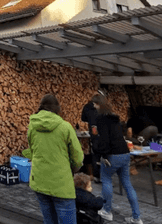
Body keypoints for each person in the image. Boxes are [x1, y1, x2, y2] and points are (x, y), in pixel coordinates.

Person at [28, 94, 84, 224]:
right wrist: (73, 169)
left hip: (39, 181)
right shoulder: (65, 127)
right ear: (57, 109)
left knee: (49, 221)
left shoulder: (32, 125)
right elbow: (78, 157)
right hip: (61, 184)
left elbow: (32, 150)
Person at [91, 94, 143, 224]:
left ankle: (107, 211)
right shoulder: (115, 118)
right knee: (127, 184)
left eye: (94, 104)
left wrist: (103, 155)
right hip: (124, 153)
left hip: (112, 155)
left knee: (106, 180)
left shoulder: (101, 119)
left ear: (98, 104)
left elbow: (105, 139)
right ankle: (136, 217)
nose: (93, 106)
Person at [81, 95, 100, 182]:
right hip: (99, 129)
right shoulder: (101, 107)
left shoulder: (86, 107)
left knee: (95, 152)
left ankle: (96, 175)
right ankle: (101, 174)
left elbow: (83, 118)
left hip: (93, 128)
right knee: (99, 152)